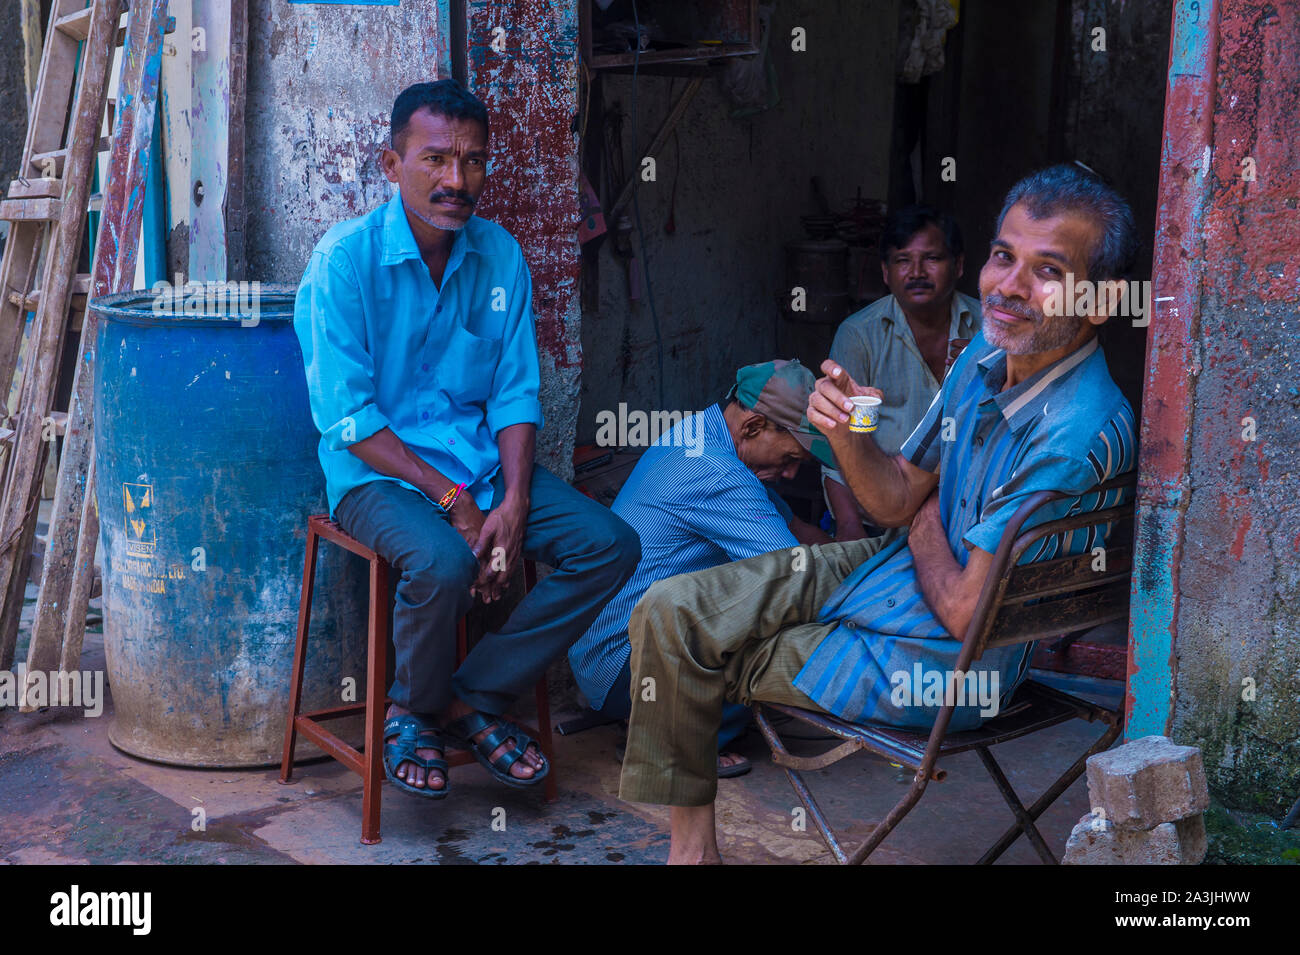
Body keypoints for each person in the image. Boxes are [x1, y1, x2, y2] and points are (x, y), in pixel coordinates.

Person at [617, 164, 1140, 863]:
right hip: (894, 574)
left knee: (692, 651)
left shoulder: (1072, 431)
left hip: (942, 664)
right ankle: (696, 855)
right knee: (669, 608)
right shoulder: (983, 355)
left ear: (1102, 302)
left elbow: (964, 612)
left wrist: (918, 514)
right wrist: (848, 436)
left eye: (1048, 270)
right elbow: (895, 494)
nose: (1010, 285)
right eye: (1003, 255)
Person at [293, 80, 640, 799]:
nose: (458, 181)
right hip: (378, 478)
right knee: (446, 563)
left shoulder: (499, 257)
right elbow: (348, 419)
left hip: (480, 470)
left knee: (609, 544)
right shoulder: (343, 263)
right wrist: (454, 499)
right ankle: (412, 710)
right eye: (437, 160)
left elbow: (515, 391)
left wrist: (512, 501)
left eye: (475, 162)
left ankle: (463, 699)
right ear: (392, 165)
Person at [568, 360, 833, 777]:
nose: (791, 472)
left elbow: (797, 529)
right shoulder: (718, 473)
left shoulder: (699, 432)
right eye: (789, 457)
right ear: (752, 427)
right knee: (786, 619)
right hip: (622, 668)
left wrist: (856, 552)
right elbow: (797, 580)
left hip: (603, 656)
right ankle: (676, 741)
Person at [823, 205, 980, 540]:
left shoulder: (989, 331)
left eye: (932, 259)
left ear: (959, 266)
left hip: (970, 520)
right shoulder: (859, 334)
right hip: (882, 520)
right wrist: (848, 524)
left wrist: (976, 372)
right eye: (903, 260)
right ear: (885, 271)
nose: (917, 272)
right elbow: (836, 448)